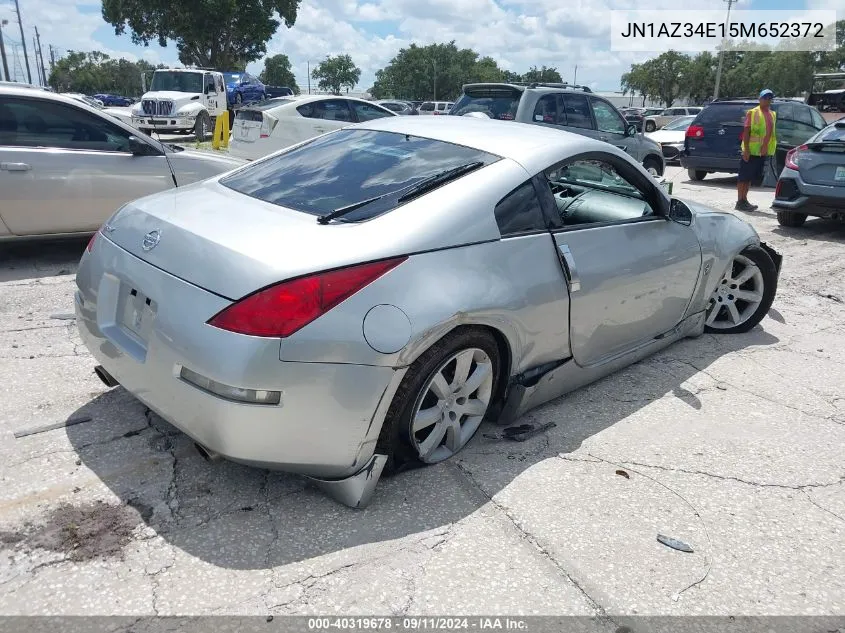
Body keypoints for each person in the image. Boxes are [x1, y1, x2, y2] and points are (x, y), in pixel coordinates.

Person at [736, 89, 777, 212]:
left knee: (750, 177)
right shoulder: (753, 113)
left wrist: (766, 147)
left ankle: (744, 200)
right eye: (765, 98)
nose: (767, 100)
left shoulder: (772, 114)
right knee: (743, 177)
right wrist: (746, 150)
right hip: (751, 150)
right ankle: (740, 201)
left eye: (770, 98)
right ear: (760, 99)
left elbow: (770, 133)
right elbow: (747, 132)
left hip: (762, 152)